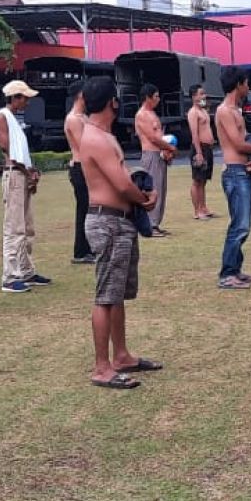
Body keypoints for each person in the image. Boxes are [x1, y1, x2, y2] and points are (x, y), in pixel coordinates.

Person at [78, 76, 161, 390]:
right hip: (108, 223)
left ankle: (121, 355)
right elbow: (121, 184)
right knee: (105, 296)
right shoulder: (96, 138)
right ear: (112, 101)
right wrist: (145, 200)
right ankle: (102, 367)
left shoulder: (102, 135)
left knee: (116, 296)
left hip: (119, 222)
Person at [0, 80, 51, 293]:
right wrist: (27, 172)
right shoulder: (2, 117)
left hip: (21, 174)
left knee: (26, 226)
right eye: (24, 98)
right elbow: (7, 150)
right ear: (15, 98)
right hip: (15, 175)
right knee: (14, 227)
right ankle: (10, 275)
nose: (26, 102)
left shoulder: (14, 119)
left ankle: (25, 270)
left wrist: (30, 171)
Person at [214, 67, 251, 289]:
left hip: (243, 169)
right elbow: (237, 143)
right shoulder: (225, 110)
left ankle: (235, 269)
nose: (248, 87)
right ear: (238, 84)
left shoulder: (236, 110)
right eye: (246, 83)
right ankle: (227, 274)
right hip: (235, 172)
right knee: (240, 224)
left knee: (244, 223)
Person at [135, 83, 178, 237]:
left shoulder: (153, 114)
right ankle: (150, 225)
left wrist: (167, 149)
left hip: (160, 154)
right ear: (147, 98)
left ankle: (156, 223)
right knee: (152, 190)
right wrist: (169, 147)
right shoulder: (142, 115)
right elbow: (152, 138)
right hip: (150, 155)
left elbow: (159, 135)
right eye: (156, 97)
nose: (158, 100)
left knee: (161, 189)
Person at [65, 80, 95, 265]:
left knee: (91, 209)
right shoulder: (73, 119)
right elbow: (83, 145)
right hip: (80, 167)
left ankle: (89, 248)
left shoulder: (84, 117)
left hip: (87, 167)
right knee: (83, 209)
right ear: (80, 95)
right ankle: (80, 251)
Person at [187, 84, 217, 221]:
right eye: (200, 94)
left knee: (203, 180)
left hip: (208, 148)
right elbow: (194, 134)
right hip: (199, 148)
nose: (203, 96)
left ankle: (203, 207)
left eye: (204, 94)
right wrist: (199, 153)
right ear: (194, 96)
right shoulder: (193, 112)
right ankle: (197, 210)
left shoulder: (203, 110)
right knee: (197, 180)